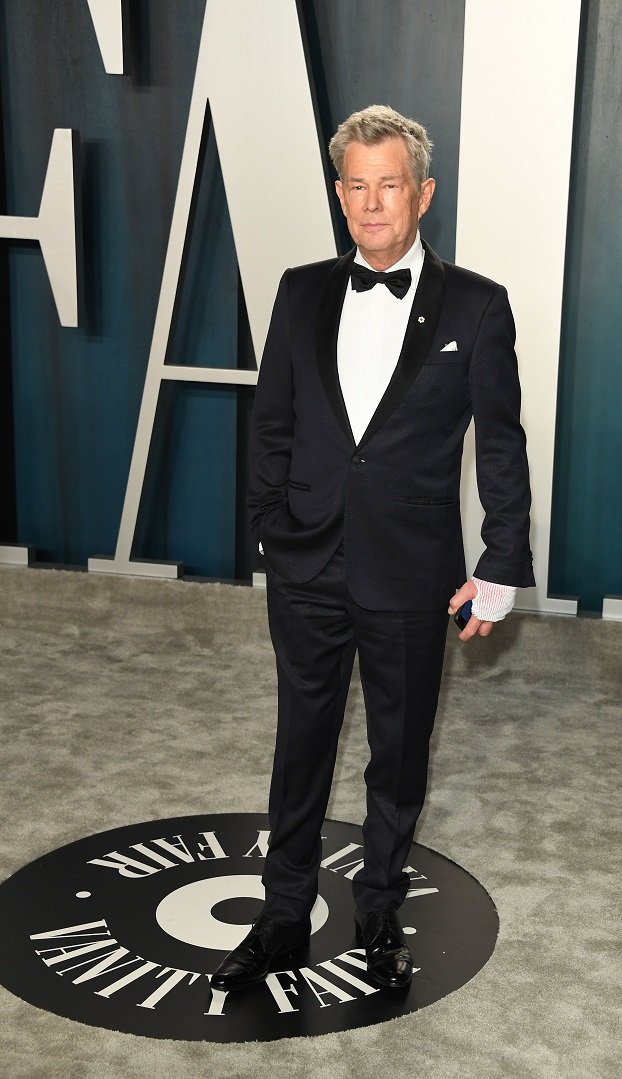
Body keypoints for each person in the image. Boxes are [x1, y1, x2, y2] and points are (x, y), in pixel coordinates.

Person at [211, 105, 533, 993]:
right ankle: (281, 918)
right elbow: (270, 421)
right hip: (306, 563)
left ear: (422, 193)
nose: (371, 202)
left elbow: (501, 446)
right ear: (340, 193)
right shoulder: (299, 289)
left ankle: (381, 908)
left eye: (389, 184)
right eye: (355, 184)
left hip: (409, 570)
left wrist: (500, 561)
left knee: (396, 753)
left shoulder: (477, 304)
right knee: (300, 743)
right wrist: (268, 526)